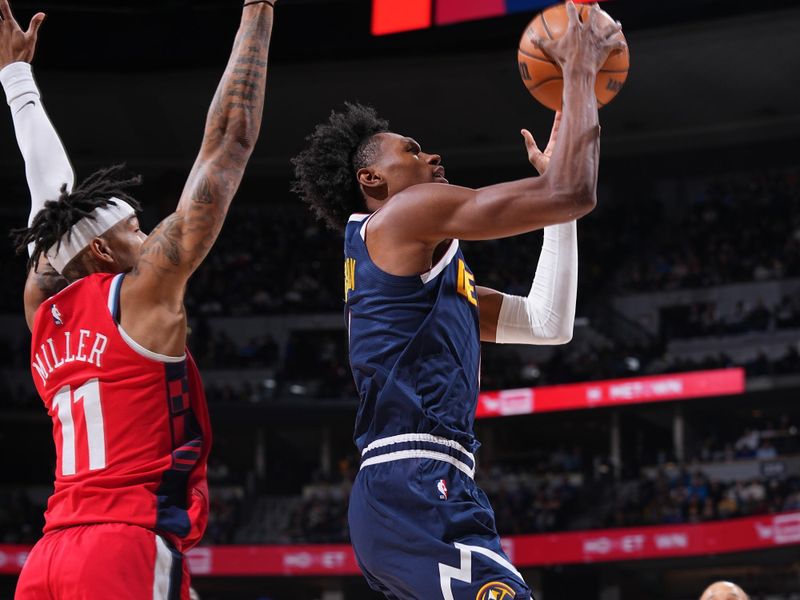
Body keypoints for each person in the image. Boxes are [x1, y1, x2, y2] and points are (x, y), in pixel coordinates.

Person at [292, 3, 623, 598]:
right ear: (372, 180)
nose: (432, 156)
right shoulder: (403, 215)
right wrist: (578, 71)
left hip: (428, 485)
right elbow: (573, 189)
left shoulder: (421, 273)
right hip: (413, 482)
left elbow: (550, 324)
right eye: (412, 150)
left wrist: (558, 217)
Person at [1, 0, 276, 597]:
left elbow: (48, 199)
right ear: (102, 253)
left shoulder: (42, 310)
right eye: (136, 231)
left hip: (47, 559)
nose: (150, 237)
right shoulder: (144, 296)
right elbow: (229, 141)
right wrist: (258, 10)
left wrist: (18, 82)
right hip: (122, 544)